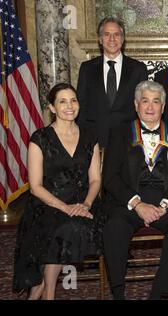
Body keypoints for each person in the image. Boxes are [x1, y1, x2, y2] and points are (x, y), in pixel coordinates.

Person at [102, 80, 168, 300]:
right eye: (145, 101)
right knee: (114, 228)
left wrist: (163, 205)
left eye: (156, 102)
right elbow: (110, 177)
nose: (150, 107)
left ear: (163, 106)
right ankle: (118, 293)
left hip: (166, 202)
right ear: (136, 105)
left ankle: (161, 294)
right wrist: (138, 204)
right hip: (130, 202)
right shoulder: (120, 133)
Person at [13, 83, 103, 300]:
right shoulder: (40, 138)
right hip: (48, 203)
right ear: (52, 108)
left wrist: (86, 205)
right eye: (62, 101)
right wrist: (65, 207)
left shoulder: (90, 137)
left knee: (71, 227)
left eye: (73, 100)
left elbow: (95, 180)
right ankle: (47, 292)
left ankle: (40, 290)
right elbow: (35, 187)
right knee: (59, 227)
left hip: (84, 204)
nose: (69, 106)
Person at [77, 16, 149, 148]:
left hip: (129, 142)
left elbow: (144, 107)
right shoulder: (87, 68)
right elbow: (81, 106)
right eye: (107, 34)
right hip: (94, 142)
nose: (112, 39)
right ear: (100, 39)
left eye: (116, 34)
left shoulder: (138, 69)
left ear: (122, 39)